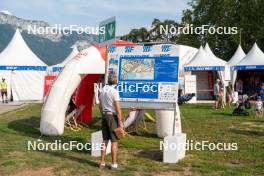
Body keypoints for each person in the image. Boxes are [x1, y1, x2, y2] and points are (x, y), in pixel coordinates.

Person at [99, 74, 123, 170]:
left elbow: (100, 106)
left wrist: (103, 115)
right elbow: (118, 109)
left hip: (104, 116)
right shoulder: (114, 92)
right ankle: (114, 165)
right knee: (114, 141)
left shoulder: (103, 90)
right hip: (112, 117)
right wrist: (120, 123)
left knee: (104, 140)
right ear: (116, 81)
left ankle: (102, 163)